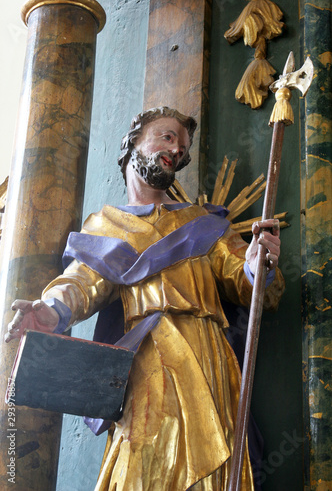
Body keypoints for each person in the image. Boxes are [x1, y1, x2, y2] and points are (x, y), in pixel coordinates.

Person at [5, 107, 285, 490]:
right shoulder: (105, 225)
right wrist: (50, 310)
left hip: (204, 351)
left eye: (182, 147)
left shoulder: (203, 223)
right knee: (139, 463)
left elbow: (245, 282)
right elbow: (81, 281)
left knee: (211, 458)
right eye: (166, 137)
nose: (176, 151)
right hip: (144, 360)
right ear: (133, 141)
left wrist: (256, 262)